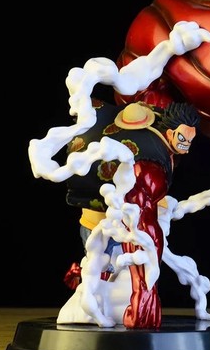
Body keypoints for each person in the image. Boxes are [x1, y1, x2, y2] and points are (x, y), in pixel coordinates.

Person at [64, 98, 200, 328]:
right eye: (182, 138)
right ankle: (93, 305)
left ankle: (103, 299)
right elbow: (141, 220)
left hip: (118, 221)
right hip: (103, 223)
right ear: (170, 133)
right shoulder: (150, 164)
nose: (186, 145)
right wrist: (144, 291)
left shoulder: (158, 141)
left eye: (190, 140)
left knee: (112, 272)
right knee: (100, 270)